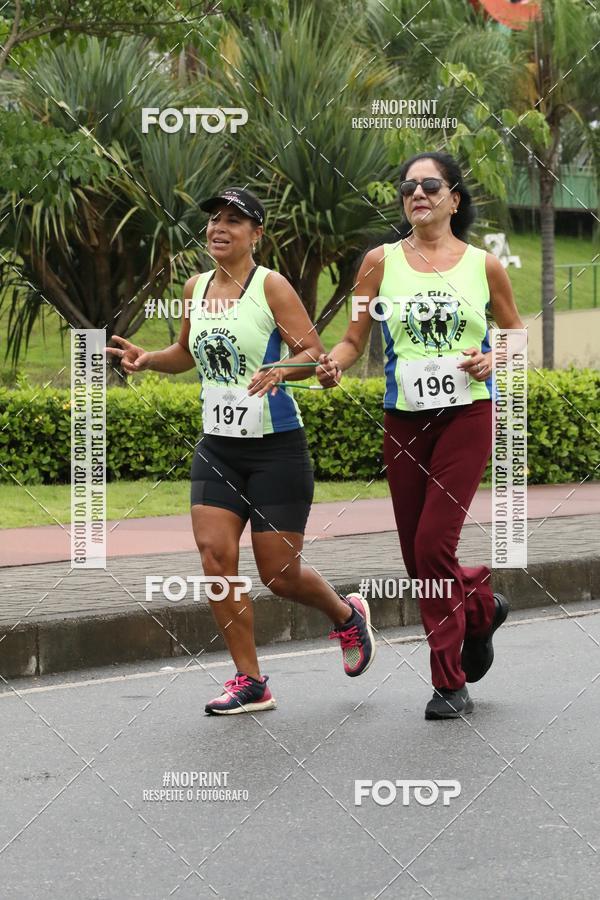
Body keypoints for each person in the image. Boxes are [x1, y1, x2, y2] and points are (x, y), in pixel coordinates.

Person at [106, 187, 375, 715]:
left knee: (279, 574)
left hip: (277, 450)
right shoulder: (195, 286)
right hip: (218, 450)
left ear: (257, 234)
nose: (218, 229)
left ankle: (346, 615)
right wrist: (147, 359)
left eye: (234, 220)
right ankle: (251, 680)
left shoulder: (271, 286)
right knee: (215, 558)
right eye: (213, 221)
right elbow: (185, 353)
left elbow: (312, 352)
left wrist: (283, 369)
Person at [317, 153, 523, 720]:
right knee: (418, 557)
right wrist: (333, 363)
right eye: (407, 186)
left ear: (454, 198)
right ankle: (481, 608)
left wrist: (491, 359)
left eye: (430, 185)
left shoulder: (485, 266)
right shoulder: (379, 263)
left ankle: (449, 683)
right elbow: (353, 340)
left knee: (434, 545)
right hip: (404, 422)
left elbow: (514, 335)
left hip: (466, 418)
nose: (417, 193)